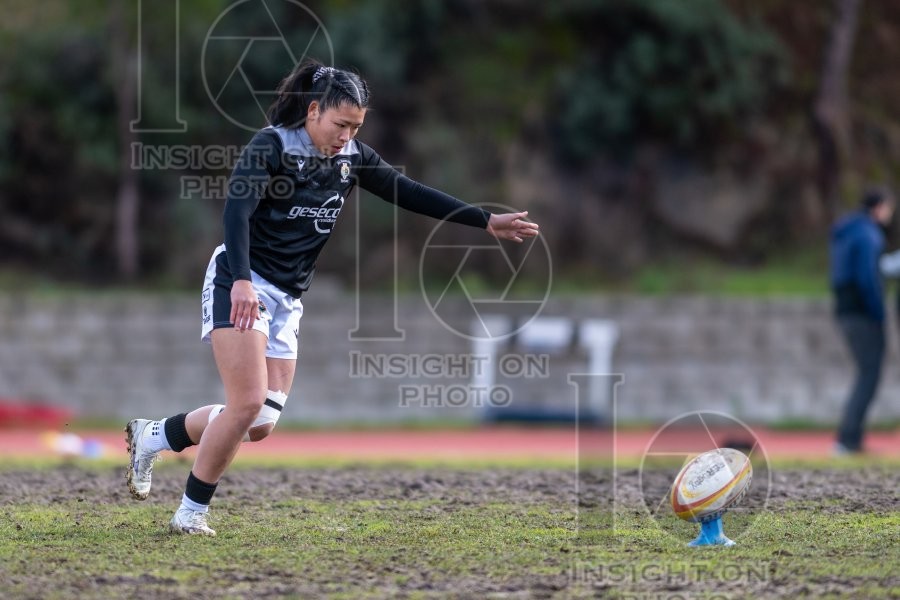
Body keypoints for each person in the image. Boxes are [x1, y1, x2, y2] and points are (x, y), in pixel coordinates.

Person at [124, 60, 540, 535]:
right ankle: (191, 513)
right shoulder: (272, 146)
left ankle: (153, 434)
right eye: (340, 124)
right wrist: (240, 280)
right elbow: (237, 212)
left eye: (356, 127)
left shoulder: (352, 158)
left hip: (287, 298)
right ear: (314, 110)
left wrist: (484, 219)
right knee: (245, 404)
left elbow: (408, 191)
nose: (346, 135)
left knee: (258, 422)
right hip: (241, 280)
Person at [829, 186, 895, 455]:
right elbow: (867, 279)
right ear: (879, 207)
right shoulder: (869, 235)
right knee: (869, 374)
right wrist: (878, 311)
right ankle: (848, 440)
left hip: (846, 311)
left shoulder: (847, 231)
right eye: (889, 208)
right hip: (862, 314)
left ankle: (849, 439)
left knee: (865, 373)